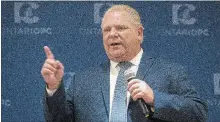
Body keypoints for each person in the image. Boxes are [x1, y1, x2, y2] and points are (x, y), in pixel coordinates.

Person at [42, 4, 207, 122]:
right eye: (107, 30)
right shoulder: (82, 80)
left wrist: (155, 98)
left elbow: (198, 114)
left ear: (139, 33)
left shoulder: (170, 72)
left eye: (120, 28)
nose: (112, 34)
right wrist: (54, 89)